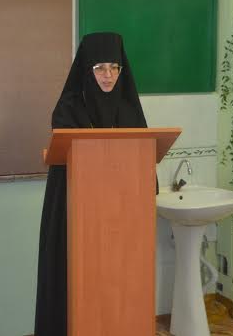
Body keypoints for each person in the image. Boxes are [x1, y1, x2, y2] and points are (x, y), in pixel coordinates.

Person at [34, 32, 148, 336]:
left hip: (120, 220)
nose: (108, 75)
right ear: (87, 69)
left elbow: (144, 158)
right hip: (76, 217)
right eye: (100, 68)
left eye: (114, 67)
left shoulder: (129, 110)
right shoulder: (68, 110)